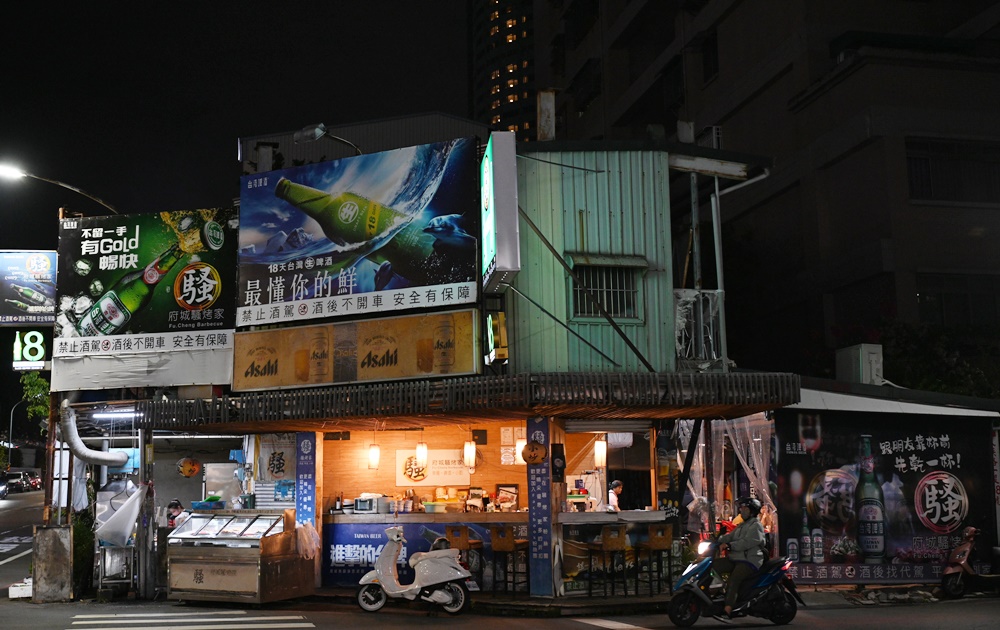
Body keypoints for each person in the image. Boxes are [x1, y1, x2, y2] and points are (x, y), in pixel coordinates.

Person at [713, 497, 766, 622]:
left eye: (744, 508)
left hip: (749, 561)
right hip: (737, 558)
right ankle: (720, 594)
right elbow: (730, 536)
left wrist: (729, 545)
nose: (741, 510)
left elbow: (746, 542)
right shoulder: (743, 525)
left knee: (734, 579)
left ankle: (728, 609)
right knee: (715, 565)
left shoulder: (756, 526)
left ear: (751, 511)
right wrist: (716, 540)